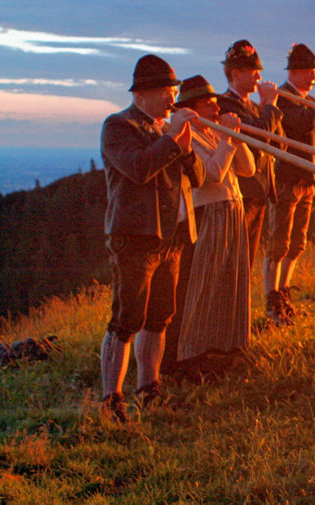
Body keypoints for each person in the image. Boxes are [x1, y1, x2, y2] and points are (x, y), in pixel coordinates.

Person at [99, 54, 205, 421]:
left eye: (173, 91)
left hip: (170, 237)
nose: (172, 98)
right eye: (166, 91)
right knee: (127, 319)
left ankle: (149, 388)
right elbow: (139, 169)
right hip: (135, 238)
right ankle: (111, 399)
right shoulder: (118, 126)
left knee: (160, 317)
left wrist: (188, 148)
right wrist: (174, 137)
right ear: (142, 93)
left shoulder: (166, 129)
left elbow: (200, 177)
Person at [172, 76, 256, 376]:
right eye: (209, 104)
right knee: (204, 283)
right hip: (209, 211)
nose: (217, 108)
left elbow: (248, 169)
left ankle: (225, 343)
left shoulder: (214, 133)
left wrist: (235, 138)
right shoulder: (189, 136)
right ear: (192, 108)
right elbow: (213, 174)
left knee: (229, 280)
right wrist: (227, 139)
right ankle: (190, 353)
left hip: (233, 207)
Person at [263, 43, 315, 325]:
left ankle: (284, 292)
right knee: (279, 242)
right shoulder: (283, 98)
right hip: (287, 177)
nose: (314, 79)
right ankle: (271, 299)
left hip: (309, 177)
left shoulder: (311, 100)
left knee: (297, 243)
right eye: (311, 73)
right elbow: (303, 124)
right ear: (296, 73)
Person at [215, 40, 282, 274]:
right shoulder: (225, 105)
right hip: (241, 192)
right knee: (234, 259)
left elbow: (278, 142)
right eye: (253, 72)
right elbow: (259, 140)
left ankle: (241, 308)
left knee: (248, 259)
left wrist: (267, 108)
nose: (257, 78)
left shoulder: (254, 107)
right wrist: (271, 106)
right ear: (235, 73)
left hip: (258, 191)